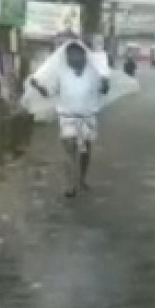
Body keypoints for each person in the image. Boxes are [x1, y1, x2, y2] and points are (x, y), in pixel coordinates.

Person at [29, 40, 110, 197]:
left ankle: (81, 179)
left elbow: (103, 90)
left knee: (85, 151)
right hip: (68, 118)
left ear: (83, 55)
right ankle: (70, 185)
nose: (72, 58)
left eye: (75, 54)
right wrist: (38, 86)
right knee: (69, 151)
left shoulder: (93, 72)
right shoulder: (61, 72)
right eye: (69, 55)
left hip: (87, 118)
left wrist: (105, 83)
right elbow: (49, 92)